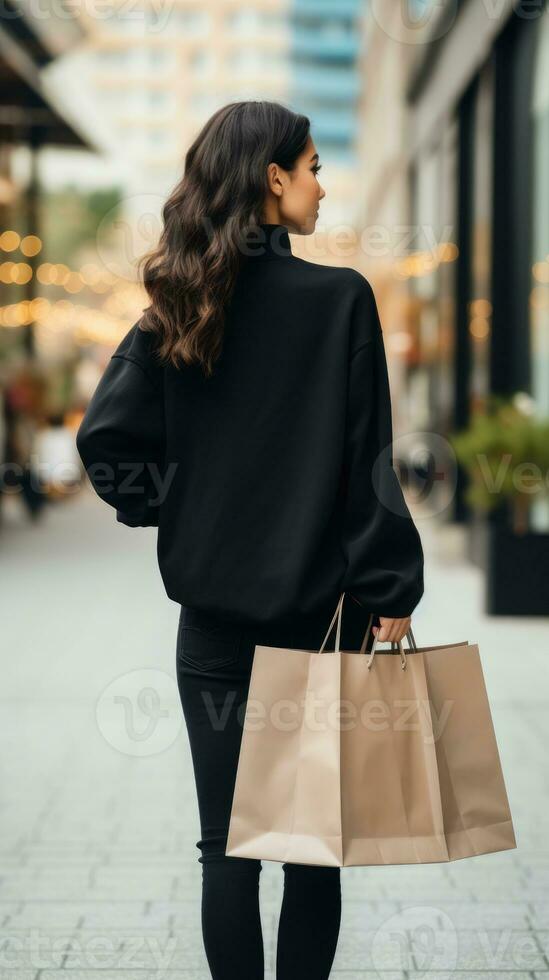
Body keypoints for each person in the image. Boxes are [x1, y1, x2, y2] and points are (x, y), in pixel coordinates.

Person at [76, 101, 424, 980]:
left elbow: (105, 441)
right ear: (273, 179)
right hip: (318, 616)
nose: (321, 182)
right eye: (311, 165)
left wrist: (182, 511)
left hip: (214, 623)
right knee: (309, 849)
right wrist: (390, 588)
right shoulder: (340, 300)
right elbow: (366, 462)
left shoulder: (182, 303)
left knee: (225, 848)